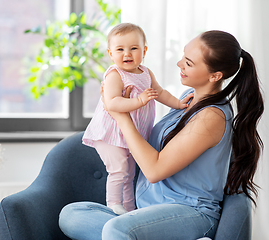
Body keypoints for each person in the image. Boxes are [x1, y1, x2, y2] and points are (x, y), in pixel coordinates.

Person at [60, 30, 264, 239]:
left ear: (215, 76)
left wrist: (121, 116)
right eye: (183, 56)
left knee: (116, 230)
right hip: (146, 210)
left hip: (190, 213)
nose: (179, 64)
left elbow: (154, 170)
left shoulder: (212, 116)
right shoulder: (187, 98)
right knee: (72, 215)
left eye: (189, 62)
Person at [82, 23, 192, 215]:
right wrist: (140, 100)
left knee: (130, 173)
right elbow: (113, 103)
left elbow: (160, 92)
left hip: (132, 135)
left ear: (144, 50)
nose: (127, 54)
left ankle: (129, 209)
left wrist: (178, 103)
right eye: (120, 49)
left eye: (134, 48)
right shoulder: (115, 75)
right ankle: (114, 203)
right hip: (110, 133)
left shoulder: (146, 73)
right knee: (119, 168)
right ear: (110, 53)